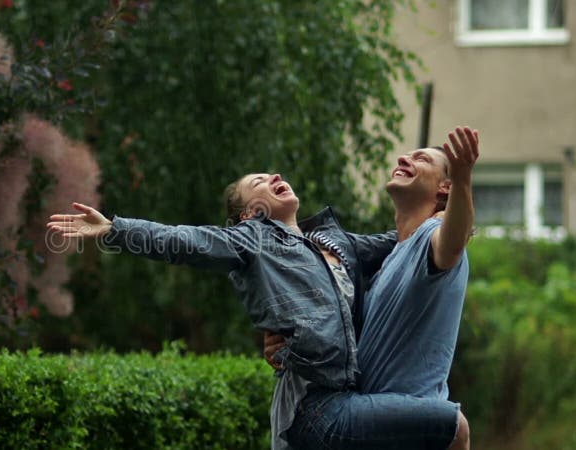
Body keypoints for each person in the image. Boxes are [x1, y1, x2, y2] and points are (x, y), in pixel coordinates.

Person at [46, 126, 476, 449]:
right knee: (454, 428)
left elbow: (410, 238)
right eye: (257, 183)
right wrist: (115, 230)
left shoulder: (335, 246)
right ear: (249, 215)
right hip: (318, 407)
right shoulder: (253, 238)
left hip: (350, 397)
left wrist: (459, 208)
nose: (272, 175)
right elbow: (186, 241)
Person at [266, 126, 478, 450]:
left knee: (455, 427)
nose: (405, 158)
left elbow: (454, 240)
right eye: (407, 154)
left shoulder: (433, 237)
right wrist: (288, 345)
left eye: (421, 159)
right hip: (370, 426)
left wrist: (463, 179)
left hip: (412, 427)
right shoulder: (386, 263)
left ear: (443, 187)